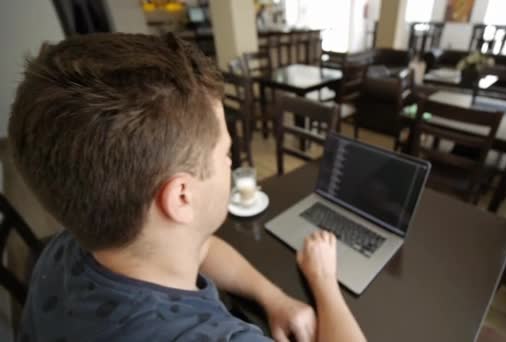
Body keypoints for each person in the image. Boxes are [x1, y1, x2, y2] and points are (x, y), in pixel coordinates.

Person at [9, 33, 365, 342]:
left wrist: (275, 298)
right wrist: (323, 281)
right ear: (181, 196)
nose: (231, 161)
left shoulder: (67, 247)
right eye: (226, 152)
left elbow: (199, 246)